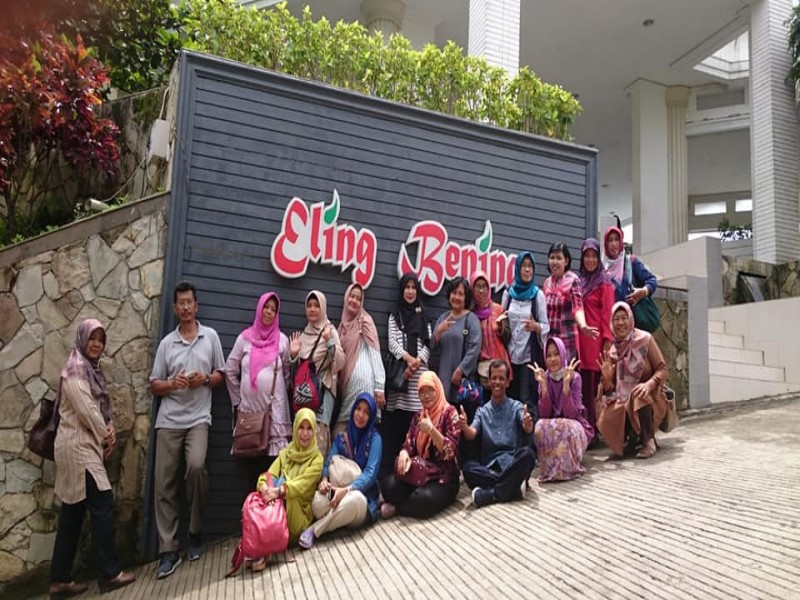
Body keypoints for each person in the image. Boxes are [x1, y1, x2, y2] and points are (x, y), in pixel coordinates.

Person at [49, 319, 136, 598]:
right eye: (92, 338)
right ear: (82, 340)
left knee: (73, 512)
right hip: (78, 448)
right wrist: (106, 436)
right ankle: (110, 573)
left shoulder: (90, 370)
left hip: (82, 446)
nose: (97, 344)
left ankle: (59, 580)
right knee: (102, 502)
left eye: (101, 339)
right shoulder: (75, 370)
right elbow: (86, 409)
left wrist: (107, 428)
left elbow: (99, 408)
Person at [149, 281, 225, 579]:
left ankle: (194, 532)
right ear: (174, 308)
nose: (185, 307)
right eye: (180, 303)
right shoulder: (167, 344)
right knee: (164, 483)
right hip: (169, 420)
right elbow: (155, 384)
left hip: (198, 419)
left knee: (195, 468)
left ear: (196, 306)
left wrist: (203, 380)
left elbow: (220, 375)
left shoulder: (211, 337)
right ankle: (168, 550)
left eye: (188, 302)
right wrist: (173, 384)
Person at [225, 292, 292, 488]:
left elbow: (287, 374)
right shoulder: (244, 339)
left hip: (274, 416)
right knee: (251, 476)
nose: (269, 312)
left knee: (272, 475)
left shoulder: (282, 341)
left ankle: (270, 509)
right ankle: (252, 508)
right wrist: (238, 400)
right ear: (259, 308)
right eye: (266, 307)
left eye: (273, 309)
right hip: (250, 418)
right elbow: (230, 370)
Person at [299, 393, 382, 549]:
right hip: (337, 492)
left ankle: (315, 530)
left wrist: (347, 490)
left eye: (366, 412)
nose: (360, 415)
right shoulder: (342, 438)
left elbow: (370, 474)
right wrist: (324, 480)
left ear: (371, 416)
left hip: (360, 497)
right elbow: (328, 462)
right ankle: (338, 519)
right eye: (358, 409)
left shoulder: (375, 439)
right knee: (317, 502)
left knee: (355, 500)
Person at [380, 372, 461, 519]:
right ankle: (408, 500)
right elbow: (409, 443)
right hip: (420, 474)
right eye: (422, 392)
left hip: (443, 478)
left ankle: (398, 508)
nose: (426, 396)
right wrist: (404, 453)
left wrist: (432, 431)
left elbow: (450, 452)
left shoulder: (450, 413)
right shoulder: (419, 416)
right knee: (388, 486)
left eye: (430, 390)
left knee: (424, 500)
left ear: (438, 389)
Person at [251, 408, 323, 570]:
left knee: (288, 494)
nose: (305, 433)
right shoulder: (285, 453)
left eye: (309, 428)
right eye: (301, 428)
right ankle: (263, 545)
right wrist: (264, 487)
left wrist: (279, 491)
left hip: (298, 517)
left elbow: (301, 486)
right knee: (265, 491)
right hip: (277, 507)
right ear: (295, 428)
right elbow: (267, 475)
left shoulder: (317, 459)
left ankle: (264, 549)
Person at [458, 360, 536, 508]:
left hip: (512, 464)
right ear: (489, 381)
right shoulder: (482, 411)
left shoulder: (516, 406)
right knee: (468, 468)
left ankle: (491, 494)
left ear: (507, 382)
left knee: (528, 455)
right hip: (489, 468)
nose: (497, 382)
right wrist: (464, 426)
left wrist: (528, 423)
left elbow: (527, 427)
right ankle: (513, 489)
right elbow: (471, 434)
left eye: (501, 378)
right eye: (494, 378)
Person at [596, 302, 669, 459]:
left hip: (652, 397)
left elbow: (662, 369)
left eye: (624, 318)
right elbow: (609, 390)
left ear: (631, 319)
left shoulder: (645, 340)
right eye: (616, 319)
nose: (620, 323)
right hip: (624, 398)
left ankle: (648, 440)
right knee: (608, 412)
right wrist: (607, 380)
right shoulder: (613, 350)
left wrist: (649, 385)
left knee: (638, 394)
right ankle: (632, 437)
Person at [383, 273, 432, 475]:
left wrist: (417, 362)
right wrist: (408, 359)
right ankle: (394, 474)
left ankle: (415, 473)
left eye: (413, 288)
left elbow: (428, 344)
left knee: (418, 429)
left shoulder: (424, 315)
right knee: (398, 429)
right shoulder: (395, 315)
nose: (410, 292)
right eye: (407, 287)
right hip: (401, 379)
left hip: (418, 378)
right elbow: (392, 343)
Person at [289, 290, 345, 456]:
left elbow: (340, 361)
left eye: (316, 305)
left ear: (323, 308)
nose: (312, 309)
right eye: (309, 306)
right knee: (302, 437)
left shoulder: (329, 330)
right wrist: (293, 356)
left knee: (318, 441)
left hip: (322, 395)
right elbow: (296, 373)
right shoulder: (303, 335)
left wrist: (329, 341)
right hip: (303, 395)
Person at [530, 337, 593, 482]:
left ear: (563, 354)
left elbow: (571, 414)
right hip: (554, 425)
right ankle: (549, 468)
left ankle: (569, 467)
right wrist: (543, 387)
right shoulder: (543, 377)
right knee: (539, 426)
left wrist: (566, 386)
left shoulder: (575, 377)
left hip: (575, 425)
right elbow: (544, 414)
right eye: (549, 355)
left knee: (565, 426)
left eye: (556, 354)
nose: (553, 359)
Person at [501, 252, 550, 417]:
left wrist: (536, 326)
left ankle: (530, 433)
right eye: (524, 266)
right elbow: (502, 318)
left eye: (530, 266)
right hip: (509, 355)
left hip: (528, 356)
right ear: (517, 268)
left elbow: (546, 326)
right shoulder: (508, 293)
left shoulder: (538, 295)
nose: (527, 270)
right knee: (509, 398)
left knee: (526, 399)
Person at [577, 238, 614, 440]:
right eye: (586, 256)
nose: (590, 260)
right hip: (579, 344)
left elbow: (608, 314)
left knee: (593, 390)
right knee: (581, 389)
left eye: (593, 256)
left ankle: (593, 432)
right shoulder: (579, 282)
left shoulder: (604, 282)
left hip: (595, 345)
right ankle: (584, 430)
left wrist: (607, 343)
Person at [336, 283, 385, 438]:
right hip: (348, 388)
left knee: (363, 431)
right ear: (346, 298)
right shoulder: (342, 328)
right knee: (343, 431)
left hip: (365, 386)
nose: (354, 301)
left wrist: (380, 386)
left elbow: (375, 352)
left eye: (358, 298)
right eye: (352, 296)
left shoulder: (365, 321)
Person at [542, 241, 599, 362]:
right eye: (552, 258)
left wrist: (583, 325)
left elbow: (577, 307)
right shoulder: (547, 283)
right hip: (551, 341)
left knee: (567, 372)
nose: (555, 262)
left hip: (567, 341)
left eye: (559, 258)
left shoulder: (573, 280)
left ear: (566, 261)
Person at [432, 276, 481, 405]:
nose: (456, 297)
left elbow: (474, 348)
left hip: (462, 382)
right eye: (454, 293)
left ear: (466, 298)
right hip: (444, 379)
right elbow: (431, 346)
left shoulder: (471, 319)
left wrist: (461, 370)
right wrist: (439, 331)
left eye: (461, 294)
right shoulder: (443, 318)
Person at [470, 270, 512, 401]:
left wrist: (500, 328)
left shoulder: (498, 310)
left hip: (500, 367)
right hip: (481, 371)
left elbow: (508, 338)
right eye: (478, 287)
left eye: (484, 287)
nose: (481, 291)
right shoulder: (471, 315)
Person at [603, 225, 658, 306]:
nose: (614, 244)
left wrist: (644, 291)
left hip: (631, 313)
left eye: (617, 239)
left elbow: (652, 279)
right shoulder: (602, 269)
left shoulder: (630, 262)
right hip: (610, 313)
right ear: (606, 244)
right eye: (610, 240)